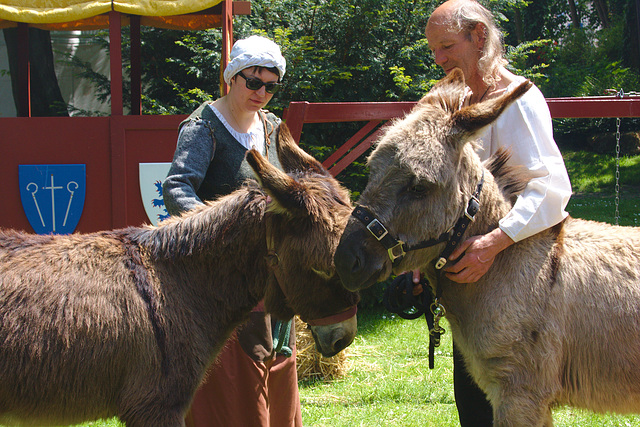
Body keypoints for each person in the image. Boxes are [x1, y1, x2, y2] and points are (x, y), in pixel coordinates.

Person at [422, 0, 573, 425]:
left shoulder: (517, 99)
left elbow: (551, 186)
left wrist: (494, 242)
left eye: (447, 46)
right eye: (434, 50)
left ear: (480, 37)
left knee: (513, 401)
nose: (440, 60)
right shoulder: (446, 100)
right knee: (472, 406)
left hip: (515, 279)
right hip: (462, 281)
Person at [163, 35, 302, 427]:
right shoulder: (204, 126)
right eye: (253, 82)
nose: (262, 92)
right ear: (232, 77)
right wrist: (217, 234)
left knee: (277, 358)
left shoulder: (273, 127)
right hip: (219, 277)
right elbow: (177, 187)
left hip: (270, 271)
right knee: (235, 379)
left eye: (271, 86)